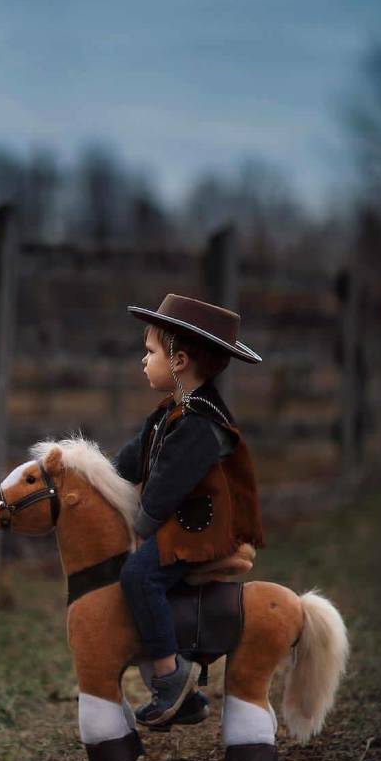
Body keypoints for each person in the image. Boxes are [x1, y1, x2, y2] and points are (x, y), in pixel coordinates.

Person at [113, 293, 264, 727]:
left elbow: (166, 486)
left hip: (200, 529)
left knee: (139, 574)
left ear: (178, 362)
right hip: (179, 522)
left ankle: (169, 676)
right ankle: (190, 696)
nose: (143, 361)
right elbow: (133, 460)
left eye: (150, 352)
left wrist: (141, 527)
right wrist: (93, 475)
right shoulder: (170, 413)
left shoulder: (202, 423)